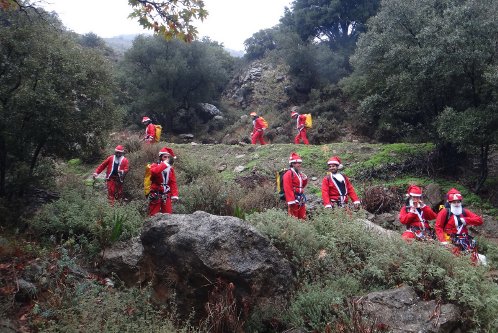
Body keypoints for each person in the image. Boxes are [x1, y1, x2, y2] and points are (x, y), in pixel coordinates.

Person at [435, 188, 483, 260]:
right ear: (450, 202)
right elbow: (438, 227)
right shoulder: (444, 212)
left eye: (458, 202)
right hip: (451, 241)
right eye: (454, 202)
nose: (457, 204)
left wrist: (466, 220)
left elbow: (479, 220)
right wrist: (443, 241)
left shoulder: (464, 211)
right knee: (455, 260)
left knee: (473, 261)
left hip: (465, 240)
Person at [148, 147, 179, 216]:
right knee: (153, 215)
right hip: (156, 194)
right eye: (165, 157)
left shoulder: (171, 169)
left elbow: (173, 182)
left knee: (168, 215)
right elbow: (155, 172)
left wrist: (174, 195)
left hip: (166, 194)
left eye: (168, 157)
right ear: (161, 157)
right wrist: (165, 163)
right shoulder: (154, 165)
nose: (167, 159)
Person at [283, 152, 308, 219]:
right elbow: (287, 188)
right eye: (296, 163)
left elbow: (301, 186)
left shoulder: (299, 174)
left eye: (299, 163)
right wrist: (291, 200)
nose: (298, 165)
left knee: (303, 217)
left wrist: (305, 179)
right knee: (293, 218)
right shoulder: (288, 174)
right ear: (292, 164)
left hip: (301, 199)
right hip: (294, 199)